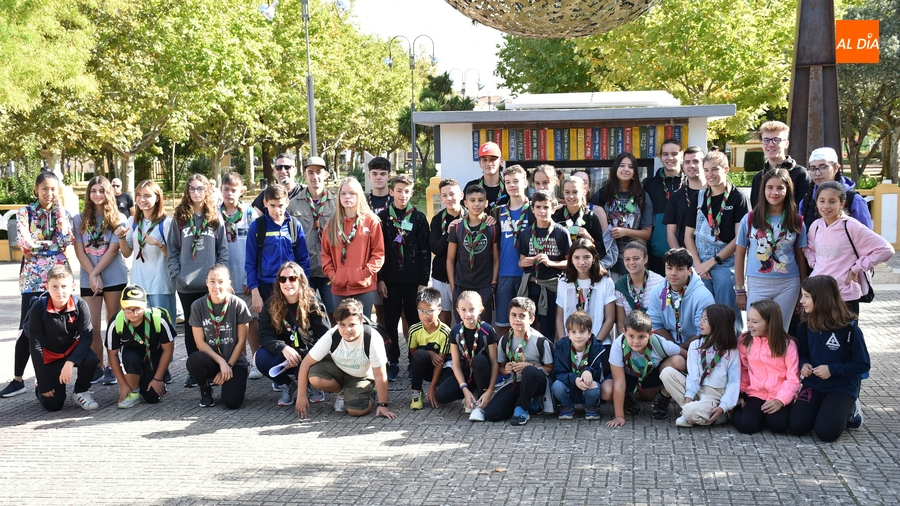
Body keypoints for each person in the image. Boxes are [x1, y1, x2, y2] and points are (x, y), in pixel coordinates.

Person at [1, 171, 74, 399]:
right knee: (27, 329)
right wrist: (49, 245)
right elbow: (24, 243)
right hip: (33, 280)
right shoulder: (25, 213)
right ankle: (18, 379)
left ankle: (48, 377)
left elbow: (66, 240)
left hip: (59, 279)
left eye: (53, 189)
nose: (49, 193)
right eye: (44, 188)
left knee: (60, 328)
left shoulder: (63, 213)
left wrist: (43, 242)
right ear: (36, 190)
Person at [789, 275, 871, 441]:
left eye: (806, 296)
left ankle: (851, 409)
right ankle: (824, 407)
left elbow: (863, 364)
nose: (801, 301)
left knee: (826, 433)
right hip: (815, 383)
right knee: (796, 427)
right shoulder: (804, 326)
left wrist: (832, 370)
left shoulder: (850, 328)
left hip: (842, 385)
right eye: (801, 295)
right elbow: (804, 353)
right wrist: (804, 364)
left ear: (822, 298)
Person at [167, 173, 228, 388]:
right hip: (186, 284)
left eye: (200, 188)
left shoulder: (215, 218)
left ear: (207, 191)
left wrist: (220, 278)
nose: (196, 192)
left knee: (212, 327)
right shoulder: (180, 218)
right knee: (193, 329)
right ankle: (195, 372)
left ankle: (213, 368)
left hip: (210, 285)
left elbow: (223, 251)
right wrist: (177, 274)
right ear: (187, 191)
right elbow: (172, 249)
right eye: (192, 188)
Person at [294, 298, 396, 419]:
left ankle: (369, 394)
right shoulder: (333, 334)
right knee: (315, 375)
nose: (347, 330)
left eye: (352, 324)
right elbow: (305, 363)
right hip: (340, 371)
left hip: (362, 376)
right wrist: (301, 396)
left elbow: (380, 374)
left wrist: (383, 405)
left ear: (361, 321)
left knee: (355, 411)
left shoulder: (372, 337)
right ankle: (342, 392)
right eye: (342, 324)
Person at [803, 181, 894, 315]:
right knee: (817, 335)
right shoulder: (816, 226)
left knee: (845, 335)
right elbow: (808, 248)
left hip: (844, 295)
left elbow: (886, 249)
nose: (826, 206)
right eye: (822, 201)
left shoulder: (851, 226)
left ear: (842, 203)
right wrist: (814, 263)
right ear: (816, 202)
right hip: (818, 294)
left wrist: (856, 268)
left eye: (832, 201)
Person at [735, 168, 807, 329]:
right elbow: (739, 255)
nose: (775, 192)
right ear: (763, 190)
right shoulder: (750, 219)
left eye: (780, 188)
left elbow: (800, 256)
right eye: (770, 187)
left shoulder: (797, 221)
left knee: (780, 332)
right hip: (757, 283)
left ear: (788, 190)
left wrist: (804, 290)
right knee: (756, 331)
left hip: (788, 284)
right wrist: (740, 290)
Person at [73, 175, 128, 386]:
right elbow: (79, 251)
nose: (97, 195)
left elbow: (114, 250)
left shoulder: (118, 218)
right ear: (88, 194)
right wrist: (93, 275)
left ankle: (114, 367)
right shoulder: (79, 220)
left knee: (114, 324)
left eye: (101, 190)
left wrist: (96, 273)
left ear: (108, 193)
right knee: (92, 325)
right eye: (93, 190)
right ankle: (97, 366)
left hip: (113, 276)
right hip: (89, 279)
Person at [377, 174, 430, 381]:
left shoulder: (418, 218)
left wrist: (423, 282)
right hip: (389, 279)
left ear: (412, 193)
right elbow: (378, 250)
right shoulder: (382, 218)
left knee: (414, 321)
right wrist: (379, 278)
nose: (402, 195)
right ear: (391, 192)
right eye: (398, 190)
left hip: (412, 280)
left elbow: (425, 251)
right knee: (390, 322)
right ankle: (393, 362)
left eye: (407, 191)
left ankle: (413, 360)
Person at [255, 262, 330, 406]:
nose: (287, 283)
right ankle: (289, 386)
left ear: (301, 280)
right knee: (260, 357)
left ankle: (313, 385)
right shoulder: (271, 304)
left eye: (292, 279)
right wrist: (283, 349)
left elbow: (325, 337)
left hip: (309, 355)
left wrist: (301, 354)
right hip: (285, 355)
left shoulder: (313, 304)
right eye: (282, 279)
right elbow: (264, 335)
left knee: (302, 372)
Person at [684, 150, 749, 318]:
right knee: (703, 315)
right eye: (706, 170)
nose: (709, 174)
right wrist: (698, 265)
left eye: (714, 169)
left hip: (725, 263)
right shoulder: (699, 197)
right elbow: (688, 236)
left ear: (726, 169)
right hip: (699, 263)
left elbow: (740, 239)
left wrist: (712, 262)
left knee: (727, 316)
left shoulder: (738, 198)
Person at [26, 265, 99, 411]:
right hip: (50, 355)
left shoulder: (81, 305)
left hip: (70, 351)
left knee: (91, 359)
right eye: (55, 286)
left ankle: (80, 391)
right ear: (47, 286)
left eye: (64, 286)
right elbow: (35, 346)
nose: (60, 291)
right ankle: (38, 386)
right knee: (54, 405)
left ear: (72, 286)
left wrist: (71, 362)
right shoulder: (38, 308)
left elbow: (86, 337)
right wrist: (44, 382)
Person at [601, 310, 686, 427]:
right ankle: (626, 398)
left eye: (641, 336)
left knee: (679, 361)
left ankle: (664, 396)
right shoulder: (618, 345)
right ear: (624, 332)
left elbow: (687, 357)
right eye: (631, 336)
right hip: (628, 376)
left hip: (651, 374)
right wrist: (619, 416)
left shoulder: (661, 343)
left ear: (651, 334)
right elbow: (619, 383)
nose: (636, 341)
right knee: (607, 391)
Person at [660, 304, 740, 427]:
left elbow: (734, 382)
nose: (700, 323)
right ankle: (689, 412)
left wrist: (723, 406)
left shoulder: (731, 351)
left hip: (715, 395)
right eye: (701, 319)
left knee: (691, 410)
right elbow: (693, 375)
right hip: (696, 389)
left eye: (705, 320)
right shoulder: (695, 345)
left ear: (718, 324)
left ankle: (716, 415)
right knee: (667, 373)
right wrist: (689, 397)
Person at [186, 264, 252, 409]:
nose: (217, 286)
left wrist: (228, 365)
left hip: (234, 362)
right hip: (212, 361)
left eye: (221, 281)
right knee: (194, 359)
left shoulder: (238, 305)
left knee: (232, 402)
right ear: (206, 282)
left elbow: (241, 341)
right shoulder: (197, 306)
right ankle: (205, 389)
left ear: (228, 283)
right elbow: (199, 343)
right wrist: (221, 363)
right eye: (212, 281)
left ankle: (232, 381)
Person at [117, 179, 176, 338]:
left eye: (147, 196)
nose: (142, 199)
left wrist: (160, 244)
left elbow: (174, 256)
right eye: (139, 195)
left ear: (157, 197)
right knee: (141, 331)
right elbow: (127, 253)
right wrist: (122, 238)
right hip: (139, 285)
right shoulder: (133, 222)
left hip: (161, 284)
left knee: (163, 331)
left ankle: (164, 363)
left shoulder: (167, 223)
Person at [732, 299, 799, 434]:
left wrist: (780, 400)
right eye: (748, 320)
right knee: (746, 426)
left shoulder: (787, 344)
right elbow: (743, 370)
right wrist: (741, 393)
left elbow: (793, 379)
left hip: (778, 394)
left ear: (770, 323)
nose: (749, 325)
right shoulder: (745, 340)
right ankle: (737, 412)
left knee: (778, 426)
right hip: (755, 393)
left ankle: (764, 417)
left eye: (755, 322)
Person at [321, 177, 385, 318]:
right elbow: (325, 255)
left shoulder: (371, 221)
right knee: (344, 328)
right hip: (339, 288)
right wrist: (334, 276)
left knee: (363, 327)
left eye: (352, 193)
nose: (347, 197)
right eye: (343, 193)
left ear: (359, 195)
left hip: (363, 287)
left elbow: (378, 254)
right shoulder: (332, 223)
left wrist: (363, 274)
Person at [245, 183, 311, 320]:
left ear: (287, 202)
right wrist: (255, 292)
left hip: (290, 285)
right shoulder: (257, 227)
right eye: (272, 205)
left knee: (292, 326)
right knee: (268, 328)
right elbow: (250, 262)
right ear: (265, 203)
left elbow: (304, 260)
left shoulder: (294, 225)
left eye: (280, 205)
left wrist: (305, 286)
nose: (277, 210)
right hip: (266, 288)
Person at [485, 297, 553, 425]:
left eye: (522, 316)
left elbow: (550, 368)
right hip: (516, 382)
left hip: (537, 382)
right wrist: (506, 369)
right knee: (492, 414)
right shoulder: (505, 340)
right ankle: (523, 402)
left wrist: (531, 365)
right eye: (513, 315)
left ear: (531, 319)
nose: (517, 319)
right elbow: (500, 368)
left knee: (529, 371)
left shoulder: (540, 341)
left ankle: (523, 408)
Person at [104, 285, 176, 408]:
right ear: (122, 306)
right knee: (129, 356)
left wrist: (158, 379)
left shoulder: (159, 320)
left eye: (137, 308)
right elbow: (113, 355)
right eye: (128, 309)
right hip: (132, 357)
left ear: (145, 305)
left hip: (153, 357)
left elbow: (168, 350)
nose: (133, 313)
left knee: (152, 397)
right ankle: (134, 391)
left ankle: (156, 376)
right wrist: (122, 384)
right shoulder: (116, 322)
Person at [218, 172, 260, 378]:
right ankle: (240, 360)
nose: (229, 193)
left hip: (245, 277)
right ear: (220, 190)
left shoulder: (250, 214)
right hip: (225, 279)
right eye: (226, 189)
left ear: (241, 191)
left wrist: (248, 279)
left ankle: (256, 361)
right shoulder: (215, 215)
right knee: (232, 323)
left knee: (251, 320)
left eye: (234, 190)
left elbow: (256, 248)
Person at [434, 291, 499, 422]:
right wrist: (464, 389)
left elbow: (494, 363)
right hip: (465, 374)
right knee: (440, 396)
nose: (467, 314)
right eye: (463, 310)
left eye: (472, 309)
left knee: (479, 359)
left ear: (481, 310)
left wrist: (490, 389)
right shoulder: (456, 331)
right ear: (457, 310)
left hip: (482, 372)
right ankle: (470, 396)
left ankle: (481, 402)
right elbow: (456, 365)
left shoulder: (488, 331)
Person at [517, 190, 571, 340]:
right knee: (529, 326)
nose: (542, 211)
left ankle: (548, 360)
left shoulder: (561, 232)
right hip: (531, 286)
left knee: (548, 327)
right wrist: (524, 262)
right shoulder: (526, 233)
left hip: (552, 287)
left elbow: (570, 263)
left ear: (554, 209)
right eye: (538, 207)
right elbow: (520, 262)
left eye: (546, 207)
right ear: (532, 209)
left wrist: (551, 263)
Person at [290, 156, 337, 318]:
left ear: (326, 174)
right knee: (305, 314)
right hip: (304, 270)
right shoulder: (293, 204)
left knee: (333, 313)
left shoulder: (337, 203)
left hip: (329, 270)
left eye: (318, 172)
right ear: (304, 175)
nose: (314, 176)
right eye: (310, 172)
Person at [593, 152, 653, 278]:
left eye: (631, 167)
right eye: (622, 165)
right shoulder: (602, 194)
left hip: (635, 261)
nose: (626, 169)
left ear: (635, 172)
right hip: (609, 261)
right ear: (615, 168)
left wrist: (626, 232)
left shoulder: (642, 197)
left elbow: (647, 233)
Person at [447, 184, 499, 324]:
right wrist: (453, 287)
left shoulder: (492, 227)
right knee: (462, 325)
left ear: (486, 202)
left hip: (484, 284)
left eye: (481, 200)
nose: (477, 204)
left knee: (483, 326)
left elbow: (495, 259)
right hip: (461, 284)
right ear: (465, 203)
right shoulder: (457, 227)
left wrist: (492, 285)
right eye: (472, 200)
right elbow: (450, 259)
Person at [646, 248, 715, 350]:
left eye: (679, 268)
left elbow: (702, 333)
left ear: (689, 271)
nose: (673, 273)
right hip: (667, 345)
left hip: (698, 347)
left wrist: (680, 350)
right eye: (669, 268)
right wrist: (674, 349)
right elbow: (655, 325)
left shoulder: (703, 296)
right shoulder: (656, 291)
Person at [555, 239, 615, 345]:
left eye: (586, 257)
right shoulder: (563, 283)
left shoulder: (606, 282)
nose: (581, 262)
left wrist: (596, 343)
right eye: (576, 257)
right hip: (570, 343)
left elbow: (609, 319)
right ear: (571, 260)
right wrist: (563, 343)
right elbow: (559, 318)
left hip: (599, 342)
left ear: (594, 258)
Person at [493, 165, 530, 337]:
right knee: (502, 322)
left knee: (528, 320)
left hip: (527, 274)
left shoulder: (534, 210)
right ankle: (502, 361)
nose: (512, 185)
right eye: (508, 182)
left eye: (516, 181)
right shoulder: (498, 211)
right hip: (504, 273)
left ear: (525, 182)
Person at [799, 147, 873, 231]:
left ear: (835, 168)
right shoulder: (807, 200)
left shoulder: (854, 199)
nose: (817, 173)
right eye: (812, 168)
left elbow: (866, 237)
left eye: (823, 167)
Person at [551, 311, 606, 420]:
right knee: (556, 386)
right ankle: (567, 406)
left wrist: (589, 371)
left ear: (589, 333)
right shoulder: (561, 347)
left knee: (595, 388)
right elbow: (557, 374)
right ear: (569, 334)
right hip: (569, 387)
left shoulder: (597, 347)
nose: (578, 336)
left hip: (587, 387)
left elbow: (598, 374)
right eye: (573, 332)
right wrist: (574, 379)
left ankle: (591, 406)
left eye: (582, 331)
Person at [552, 175, 613, 267]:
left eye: (575, 192)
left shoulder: (591, 217)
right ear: (563, 192)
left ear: (584, 192)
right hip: (560, 271)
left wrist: (588, 237)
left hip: (584, 269)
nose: (571, 196)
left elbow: (601, 253)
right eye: (567, 192)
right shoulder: (556, 216)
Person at [644, 138, 684, 274]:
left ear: (682, 155)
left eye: (674, 153)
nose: (670, 158)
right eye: (665, 154)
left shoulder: (691, 183)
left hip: (687, 254)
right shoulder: (649, 185)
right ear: (660, 157)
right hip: (657, 254)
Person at [749, 120, 811, 208]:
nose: (770, 144)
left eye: (776, 140)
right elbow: (755, 209)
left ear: (786, 144)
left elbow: (804, 209)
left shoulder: (801, 174)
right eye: (766, 140)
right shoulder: (758, 178)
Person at [407, 287, 452, 410]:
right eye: (421, 310)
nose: (425, 315)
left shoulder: (446, 332)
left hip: (441, 368)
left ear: (439, 310)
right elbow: (413, 353)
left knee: (445, 393)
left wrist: (432, 388)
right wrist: (430, 353)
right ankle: (416, 392)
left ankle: (437, 386)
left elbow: (440, 361)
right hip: (424, 366)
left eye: (430, 311)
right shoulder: (414, 330)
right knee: (420, 355)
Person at [429, 178, 464, 326]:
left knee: (463, 317)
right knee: (444, 319)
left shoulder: (471, 217)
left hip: (464, 277)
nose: (449, 198)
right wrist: (448, 233)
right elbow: (435, 248)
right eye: (444, 195)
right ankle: (447, 348)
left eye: (452, 194)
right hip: (441, 276)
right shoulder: (437, 220)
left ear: (461, 195)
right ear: (441, 198)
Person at [614, 241, 665, 332]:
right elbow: (621, 324)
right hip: (630, 338)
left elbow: (663, 319)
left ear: (646, 259)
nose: (631, 262)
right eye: (627, 259)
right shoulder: (621, 285)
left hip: (655, 334)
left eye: (636, 258)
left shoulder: (659, 282)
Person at [664, 146, 706, 249]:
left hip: (713, 256)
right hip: (686, 257)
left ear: (704, 164)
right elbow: (671, 234)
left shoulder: (716, 193)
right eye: (687, 162)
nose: (691, 165)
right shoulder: (676, 196)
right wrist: (680, 259)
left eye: (696, 161)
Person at [465, 142, 508, 213]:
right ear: (480, 163)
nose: (488, 163)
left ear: (501, 161)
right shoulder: (471, 186)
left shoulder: (508, 187)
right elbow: (463, 211)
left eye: (492, 159)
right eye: (484, 160)